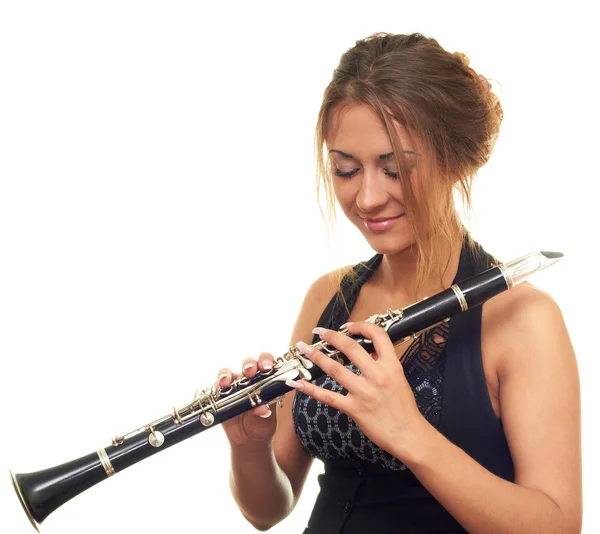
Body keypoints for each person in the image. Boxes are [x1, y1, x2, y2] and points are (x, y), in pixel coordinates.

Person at [216, 32, 582, 533]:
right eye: (346, 170)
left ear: (454, 159)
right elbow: (268, 510)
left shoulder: (523, 317)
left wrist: (408, 430)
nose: (367, 198)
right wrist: (249, 448)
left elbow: (557, 525)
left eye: (394, 169)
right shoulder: (329, 296)